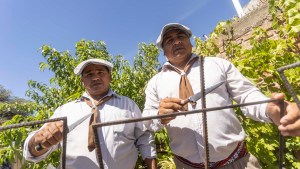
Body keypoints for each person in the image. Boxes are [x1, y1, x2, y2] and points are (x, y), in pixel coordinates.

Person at [142, 23, 300, 169]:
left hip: (238, 162)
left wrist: (268, 108)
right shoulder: (155, 83)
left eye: (181, 37)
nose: (176, 42)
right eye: (169, 40)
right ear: (163, 51)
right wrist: (159, 116)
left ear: (190, 41)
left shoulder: (218, 65)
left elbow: (246, 95)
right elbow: (147, 121)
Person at [23, 59, 157, 169]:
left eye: (100, 72)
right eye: (89, 74)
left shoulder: (128, 105)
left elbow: (144, 138)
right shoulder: (65, 110)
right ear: (82, 80)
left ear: (110, 76)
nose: (96, 78)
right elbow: (33, 151)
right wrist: (38, 141)